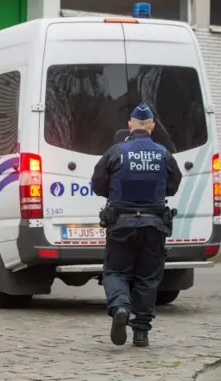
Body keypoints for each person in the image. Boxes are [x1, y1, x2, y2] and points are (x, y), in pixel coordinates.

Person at [91, 102, 182, 347]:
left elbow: (98, 184)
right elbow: (173, 185)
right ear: (152, 126)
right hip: (154, 225)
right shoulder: (163, 154)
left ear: (130, 125)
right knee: (148, 277)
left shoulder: (116, 152)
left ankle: (120, 306)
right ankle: (141, 331)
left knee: (115, 272)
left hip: (121, 223)